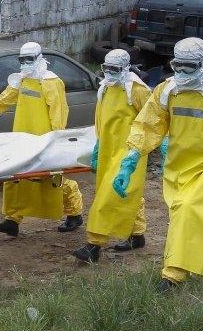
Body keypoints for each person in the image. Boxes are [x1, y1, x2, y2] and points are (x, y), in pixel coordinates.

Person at [113, 37, 203, 292]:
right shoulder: (167, 90)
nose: (183, 72)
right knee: (181, 216)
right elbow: (148, 125)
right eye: (178, 65)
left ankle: (172, 275)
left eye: (190, 66)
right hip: (176, 165)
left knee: (189, 209)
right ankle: (198, 260)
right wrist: (130, 160)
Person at [0, 42, 83, 235]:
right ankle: (12, 220)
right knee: (15, 178)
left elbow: (59, 111)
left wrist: (57, 137)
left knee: (49, 179)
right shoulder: (22, 79)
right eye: (22, 59)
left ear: (39, 58)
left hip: (43, 139)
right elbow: (6, 97)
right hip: (21, 138)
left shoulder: (51, 82)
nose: (25, 63)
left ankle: (75, 213)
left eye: (29, 59)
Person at [72, 49, 151, 263]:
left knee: (107, 196)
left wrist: (159, 144)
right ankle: (137, 234)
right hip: (108, 148)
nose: (110, 73)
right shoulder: (105, 88)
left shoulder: (136, 90)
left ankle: (93, 245)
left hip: (129, 151)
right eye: (107, 68)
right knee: (123, 193)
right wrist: (98, 145)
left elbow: (153, 119)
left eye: (115, 69)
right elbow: (102, 119)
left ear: (125, 68)